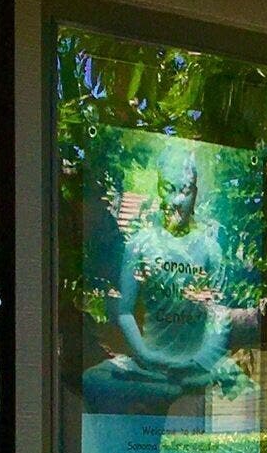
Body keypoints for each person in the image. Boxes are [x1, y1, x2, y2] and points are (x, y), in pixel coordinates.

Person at [83, 142, 254, 415]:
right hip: (148, 366)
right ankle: (166, 392)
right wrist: (146, 356)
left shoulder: (210, 250)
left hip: (195, 366)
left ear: (195, 194)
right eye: (169, 189)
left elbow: (219, 317)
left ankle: (176, 390)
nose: (176, 201)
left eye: (185, 191)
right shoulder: (140, 244)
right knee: (93, 380)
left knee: (242, 389)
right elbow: (124, 311)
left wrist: (199, 361)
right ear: (159, 188)